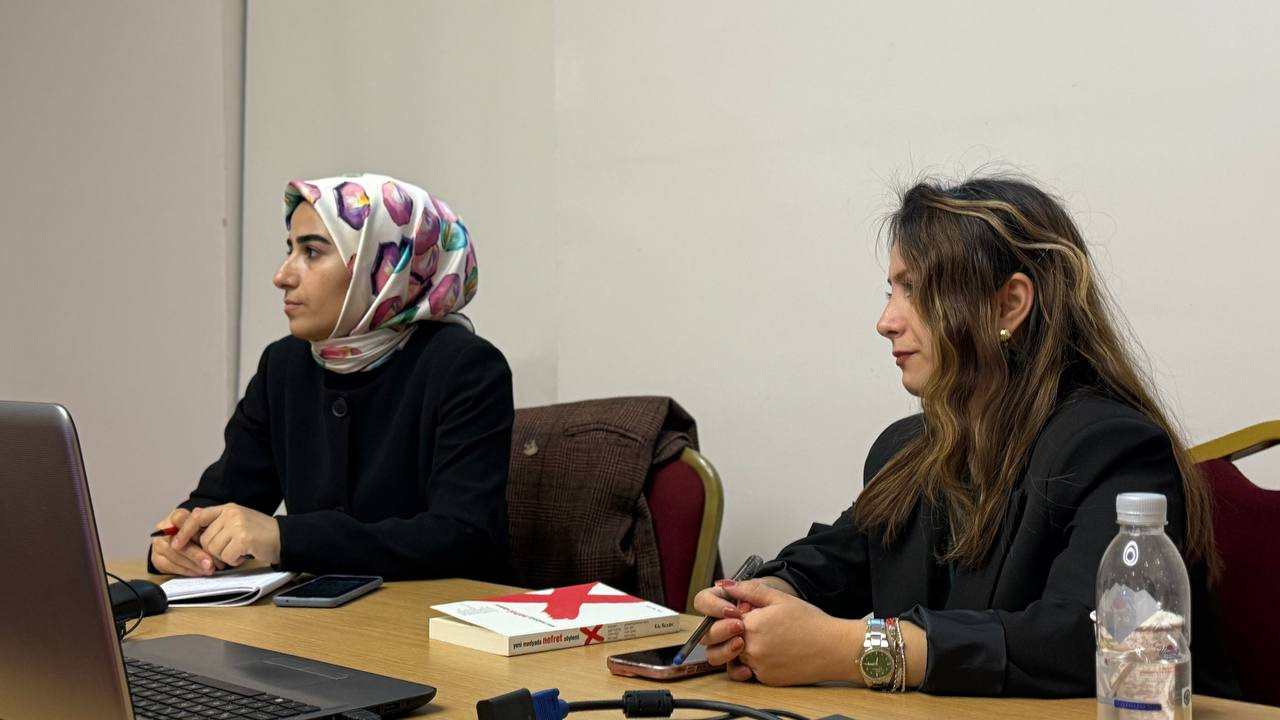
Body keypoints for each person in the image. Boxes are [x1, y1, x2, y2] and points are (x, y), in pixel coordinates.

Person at [694, 176, 1240, 697]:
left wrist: (853, 650)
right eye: (891, 290)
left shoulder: (1111, 448)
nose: (886, 321)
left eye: (914, 290)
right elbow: (834, 562)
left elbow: (1086, 638)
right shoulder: (909, 449)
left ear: (1009, 305)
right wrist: (759, 604)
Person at [148, 173, 512, 582]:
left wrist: (284, 537)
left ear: (383, 265)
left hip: (435, 615)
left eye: (312, 252)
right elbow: (221, 498)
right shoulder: (283, 366)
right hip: (322, 616)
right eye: (290, 250)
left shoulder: (465, 367)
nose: (282, 276)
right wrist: (179, 541)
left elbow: (461, 538)